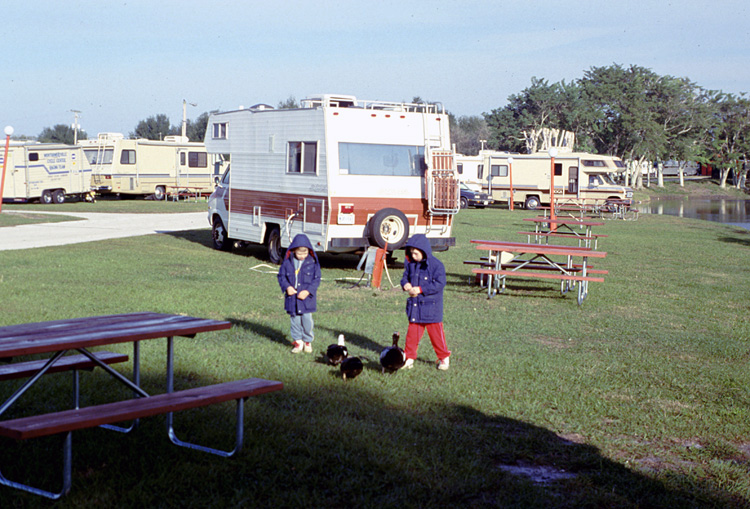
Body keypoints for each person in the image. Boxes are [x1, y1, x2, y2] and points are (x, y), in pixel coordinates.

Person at [400, 234, 451, 370]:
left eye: (416, 253)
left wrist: (421, 289)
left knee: (436, 336)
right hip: (416, 307)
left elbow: (440, 284)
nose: (414, 256)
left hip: (431, 309)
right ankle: (409, 358)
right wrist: (405, 284)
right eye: (411, 253)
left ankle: (444, 358)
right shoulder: (411, 265)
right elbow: (405, 277)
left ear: (424, 251)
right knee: (412, 335)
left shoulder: (436, 266)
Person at [277, 234, 321, 354]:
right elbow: (281, 276)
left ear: (309, 251)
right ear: (293, 250)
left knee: (307, 320)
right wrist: (287, 288)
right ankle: (298, 342)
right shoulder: (287, 263)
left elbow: (316, 280)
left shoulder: (312, 263)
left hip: (307, 299)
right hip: (292, 299)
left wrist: (307, 291)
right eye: (299, 254)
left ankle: (307, 341)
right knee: (295, 320)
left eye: (305, 253)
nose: (302, 256)